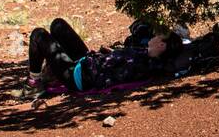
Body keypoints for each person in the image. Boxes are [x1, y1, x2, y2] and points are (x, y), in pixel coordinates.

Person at [28, 18, 185, 96]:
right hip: (88, 61)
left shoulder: (143, 64)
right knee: (58, 25)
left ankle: (33, 83)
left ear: (161, 46)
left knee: (38, 35)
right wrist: (109, 55)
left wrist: (101, 61)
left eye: (159, 36)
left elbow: (107, 79)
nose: (155, 35)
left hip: (80, 76)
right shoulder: (143, 54)